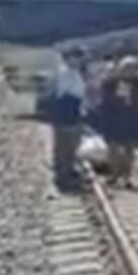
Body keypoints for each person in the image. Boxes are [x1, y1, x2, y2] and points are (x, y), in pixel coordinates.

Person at [98, 56, 138, 188]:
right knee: (113, 148)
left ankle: (127, 176)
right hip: (113, 119)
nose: (130, 71)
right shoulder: (110, 82)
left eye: (133, 69)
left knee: (129, 149)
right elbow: (103, 99)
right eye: (127, 68)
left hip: (131, 119)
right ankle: (114, 175)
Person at [50, 46, 87, 189]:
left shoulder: (75, 72)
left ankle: (69, 170)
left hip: (74, 111)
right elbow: (68, 92)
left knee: (72, 144)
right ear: (69, 58)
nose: (79, 60)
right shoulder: (65, 72)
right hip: (66, 111)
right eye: (76, 57)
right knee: (64, 145)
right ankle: (63, 176)